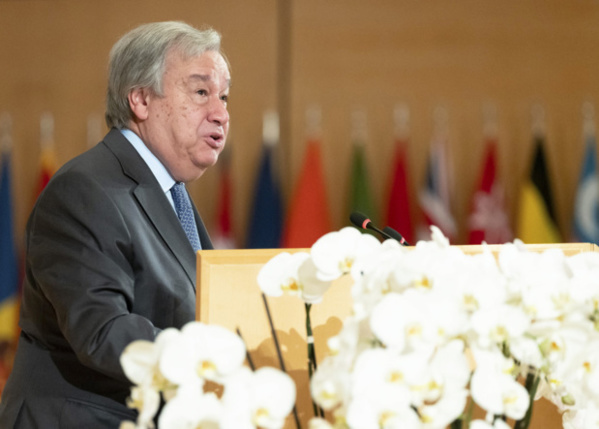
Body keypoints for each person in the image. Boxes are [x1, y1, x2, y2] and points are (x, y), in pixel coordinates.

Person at [0, 21, 230, 428]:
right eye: (200, 92)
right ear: (140, 100)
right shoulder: (84, 191)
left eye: (224, 97)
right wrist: (215, 356)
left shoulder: (171, 194)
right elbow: (102, 331)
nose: (221, 114)